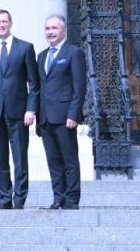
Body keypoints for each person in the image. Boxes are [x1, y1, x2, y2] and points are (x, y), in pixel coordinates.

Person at [0, 9, 39, 209]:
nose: (1, 25)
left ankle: (19, 199)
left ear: (11, 23)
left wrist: (31, 110)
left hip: (19, 113)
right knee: (0, 158)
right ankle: (4, 198)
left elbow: (34, 83)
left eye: (4, 21)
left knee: (20, 158)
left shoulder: (25, 48)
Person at [37, 14, 85, 210]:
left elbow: (79, 87)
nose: (50, 32)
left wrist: (73, 114)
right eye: (47, 28)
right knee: (54, 162)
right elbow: (41, 87)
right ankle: (58, 198)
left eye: (54, 28)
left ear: (63, 31)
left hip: (65, 118)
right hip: (46, 118)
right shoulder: (41, 56)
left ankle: (72, 200)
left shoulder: (74, 53)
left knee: (69, 160)